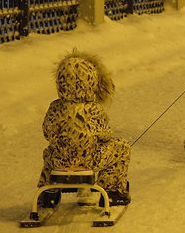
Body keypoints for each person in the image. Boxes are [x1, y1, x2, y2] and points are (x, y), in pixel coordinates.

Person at [37, 49, 131, 207]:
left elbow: (48, 132)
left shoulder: (55, 107)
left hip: (59, 161)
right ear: (92, 82)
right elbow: (105, 135)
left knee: (49, 154)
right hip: (88, 160)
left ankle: (48, 194)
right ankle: (112, 190)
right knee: (121, 147)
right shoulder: (93, 109)